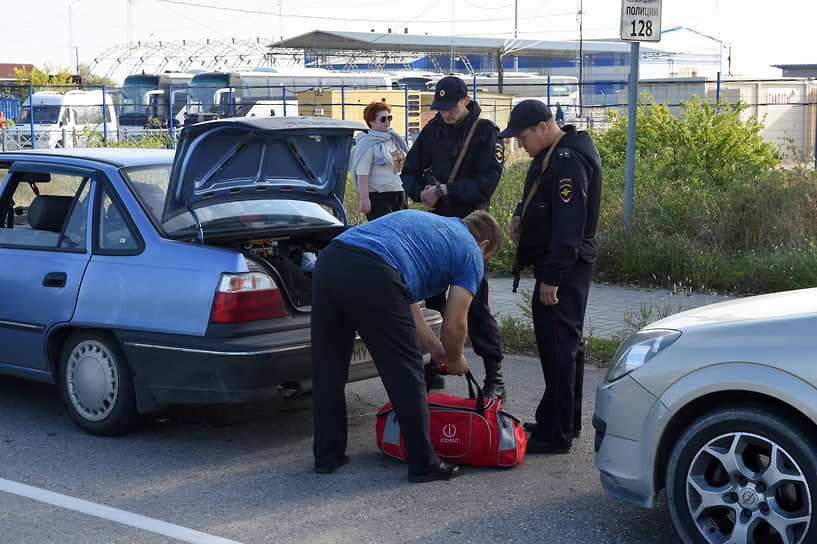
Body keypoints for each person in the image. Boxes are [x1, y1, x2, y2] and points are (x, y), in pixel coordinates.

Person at [311, 209, 503, 482]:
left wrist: (437, 348)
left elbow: (406, 301)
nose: (481, 264)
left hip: (331, 261)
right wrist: (455, 357)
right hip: (374, 271)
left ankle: (328, 456)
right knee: (405, 371)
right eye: (487, 259)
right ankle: (423, 463)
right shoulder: (471, 250)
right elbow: (455, 322)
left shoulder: (431, 226)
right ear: (483, 245)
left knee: (329, 367)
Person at [498, 99, 602, 455]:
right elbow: (539, 195)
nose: (520, 144)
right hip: (561, 263)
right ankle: (562, 422)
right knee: (566, 347)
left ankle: (556, 434)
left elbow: (569, 226)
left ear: (543, 128)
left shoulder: (567, 160)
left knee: (558, 348)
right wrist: (519, 216)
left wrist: (552, 278)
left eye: (523, 137)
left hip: (563, 268)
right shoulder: (554, 154)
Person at [401, 75, 506, 399]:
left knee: (474, 304)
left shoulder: (485, 132)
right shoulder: (433, 129)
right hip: (436, 228)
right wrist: (422, 192)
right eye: (441, 107)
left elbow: (487, 182)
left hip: (471, 227)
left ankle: (494, 375)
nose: (445, 113)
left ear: (466, 100)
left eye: (450, 107)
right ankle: (434, 367)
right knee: (432, 301)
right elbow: (408, 172)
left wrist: (448, 189)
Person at [348, 101, 409, 221]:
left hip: (398, 193)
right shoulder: (367, 144)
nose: (387, 122)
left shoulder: (392, 139)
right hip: (379, 197)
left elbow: (399, 166)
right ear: (371, 122)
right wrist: (365, 198)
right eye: (383, 119)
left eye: (389, 118)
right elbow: (362, 173)